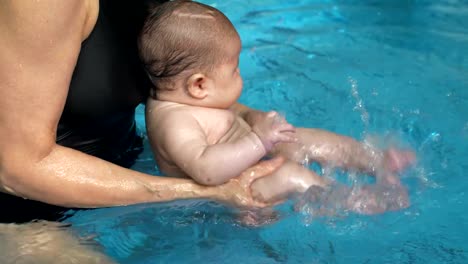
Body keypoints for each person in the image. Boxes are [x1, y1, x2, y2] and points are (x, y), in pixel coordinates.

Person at [0, 0, 284, 224]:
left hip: (130, 165)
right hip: (24, 213)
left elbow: (182, 86)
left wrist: (253, 122)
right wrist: (200, 192)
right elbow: (16, 168)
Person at [139, 0, 415, 215]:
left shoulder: (185, 97)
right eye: (234, 70)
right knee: (291, 176)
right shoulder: (173, 122)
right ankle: (352, 200)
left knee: (299, 138)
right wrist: (258, 140)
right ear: (199, 85)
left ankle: (373, 159)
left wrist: (255, 125)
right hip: (230, 198)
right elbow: (207, 170)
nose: (240, 76)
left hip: (247, 163)